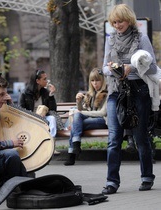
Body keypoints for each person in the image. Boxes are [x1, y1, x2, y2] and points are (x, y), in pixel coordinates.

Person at [102, 4, 156, 194]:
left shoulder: (141, 38)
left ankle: (147, 176)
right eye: (114, 22)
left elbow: (153, 68)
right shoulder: (111, 40)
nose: (117, 25)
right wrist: (116, 69)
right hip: (116, 91)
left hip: (138, 90)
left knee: (141, 136)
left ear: (129, 20)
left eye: (120, 21)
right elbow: (104, 69)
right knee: (113, 139)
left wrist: (131, 68)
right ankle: (111, 182)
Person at [64, 68, 108, 166]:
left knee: (76, 122)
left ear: (102, 80)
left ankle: (72, 154)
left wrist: (82, 113)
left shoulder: (107, 93)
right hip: (90, 120)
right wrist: (78, 101)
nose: (95, 83)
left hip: (102, 121)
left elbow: (102, 113)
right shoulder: (90, 94)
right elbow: (81, 110)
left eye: (97, 80)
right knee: (77, 121)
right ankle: (75, 146)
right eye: (92, 80)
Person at [19, 69, 60, 155]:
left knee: (52, 118)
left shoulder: (45, 92)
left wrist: (51, 95)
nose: (47, 81)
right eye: (44, 79)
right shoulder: (25, 93)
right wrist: (33, 116)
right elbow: (21, 110)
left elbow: (53, 110)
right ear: (37, 81)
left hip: (44, 118)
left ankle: (51, 146)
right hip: (31, 119)